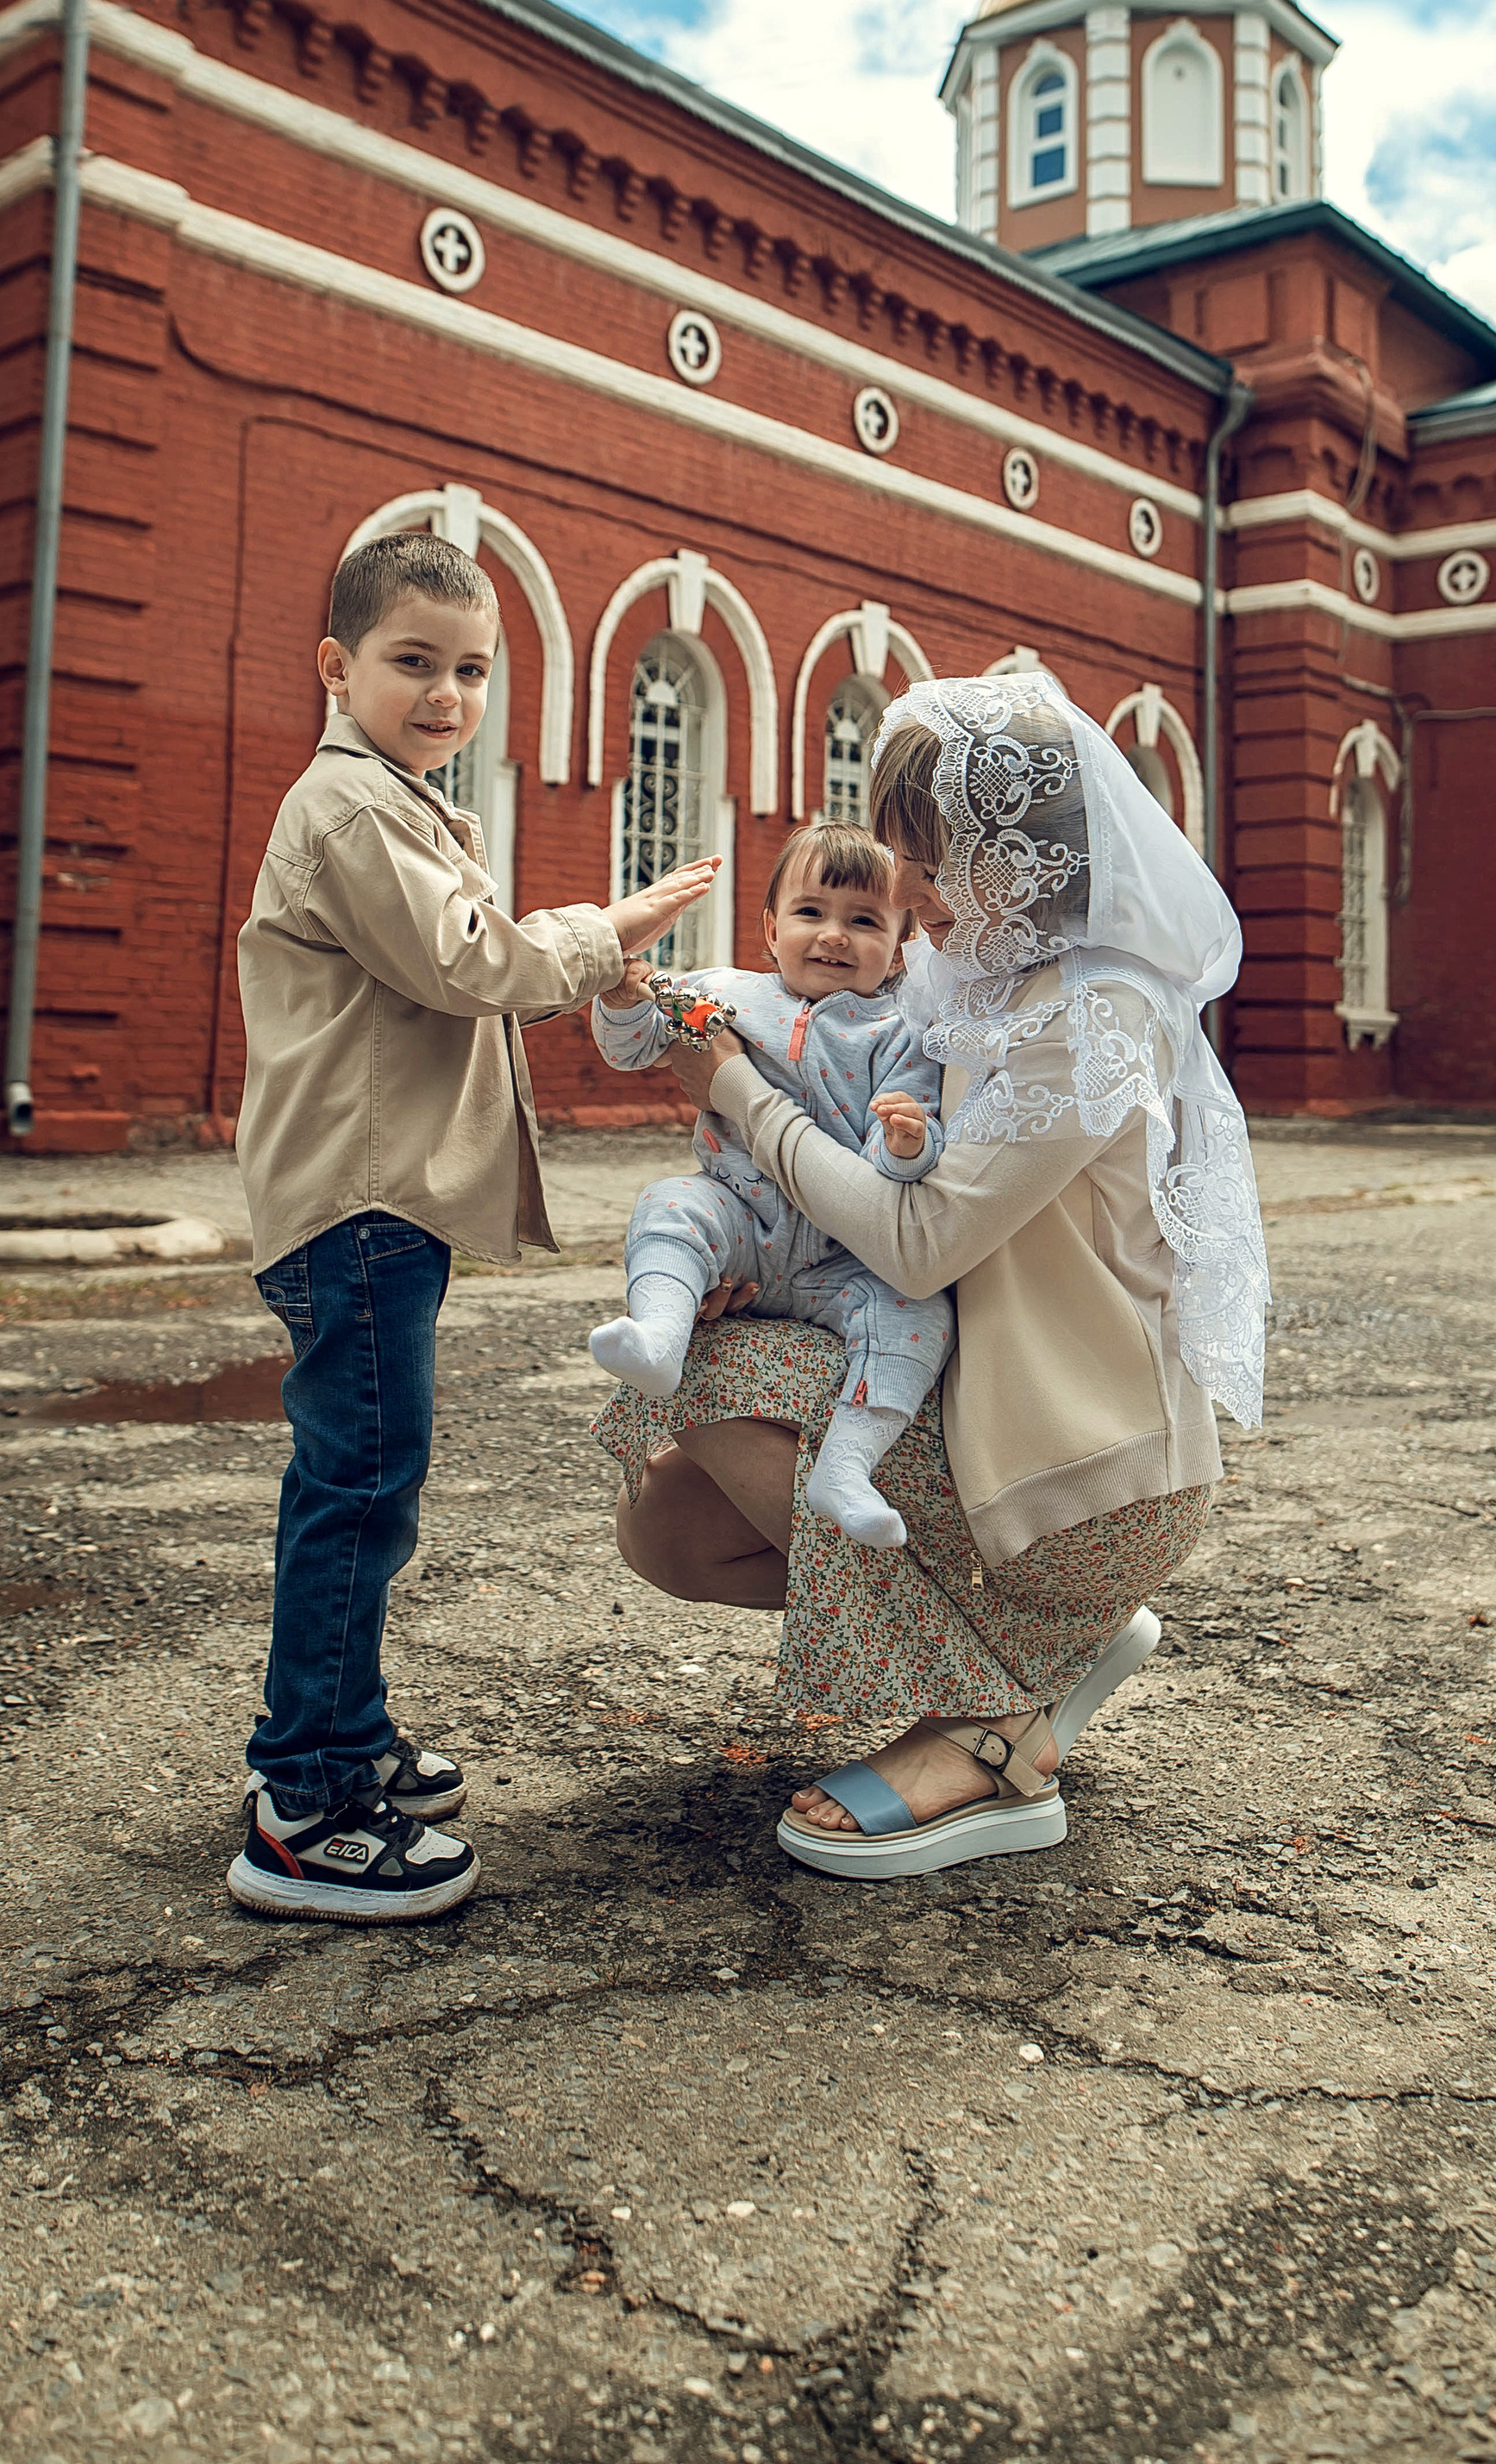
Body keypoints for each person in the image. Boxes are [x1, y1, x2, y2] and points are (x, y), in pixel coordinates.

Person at [597, 670, 1269, 1881]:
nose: (903, 896)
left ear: (1020, 857)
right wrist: (754, 1261)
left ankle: (997, 1729)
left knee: (695, 1379)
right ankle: (1041, 1654)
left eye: (932, 859)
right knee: (670, 1520)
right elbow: (867, 1183)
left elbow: (919, 1244)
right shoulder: (987, 982)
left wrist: (735, 1095)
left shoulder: (1095, 1011)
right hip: (985, 1430)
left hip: (1079, 1475)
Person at [228, 530, 718, 1923]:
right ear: (338, 666)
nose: (446, 695)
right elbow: (470, 967)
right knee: (360, 1490)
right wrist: (610, 928)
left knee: (364, 1484)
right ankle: (304, 1807)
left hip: (377, 1196)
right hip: (359, 1199)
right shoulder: (352, 810)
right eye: (413, 664)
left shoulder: (395, 801)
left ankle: (341, 1737)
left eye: (471, 671)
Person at [586, 818, 953, 1548]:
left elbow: (899, 1156)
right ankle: (660, 1334)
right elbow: (635, 1049)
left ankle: (848, 1466)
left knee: (921, 1312)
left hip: (844, 1260)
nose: (835, 936)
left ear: (900, 946)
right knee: (670, 1202)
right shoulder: (724, 996)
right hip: (741, 1225)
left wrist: (910, 1139)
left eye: (864, 921)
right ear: (769, 927)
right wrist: (626, 998)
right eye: (811, 912)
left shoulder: (902, 1031)